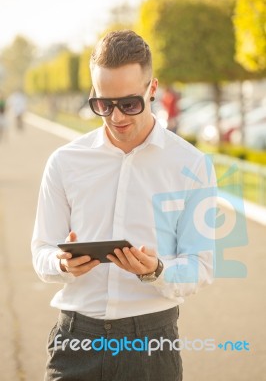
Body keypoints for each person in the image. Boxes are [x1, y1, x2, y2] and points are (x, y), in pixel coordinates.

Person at [31, 30, 216, 381]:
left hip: (150, 344)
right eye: (103, 104)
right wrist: (61, 263)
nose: (116, 117)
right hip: (74, 342)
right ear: (93, 95)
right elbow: (41, 251)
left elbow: (201, 265)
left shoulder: (192, 165)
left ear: (153, 89)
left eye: (130, 104)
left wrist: (156, 270)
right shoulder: (64, 162)